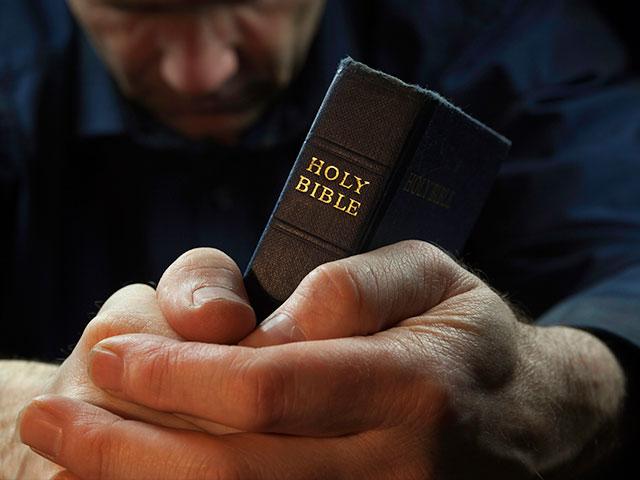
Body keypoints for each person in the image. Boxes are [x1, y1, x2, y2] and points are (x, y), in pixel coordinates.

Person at [1, 0, 638, 478]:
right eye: (133, 8)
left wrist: (544, 391)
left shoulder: (505, 33)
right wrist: (33, 430)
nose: (201, 72)